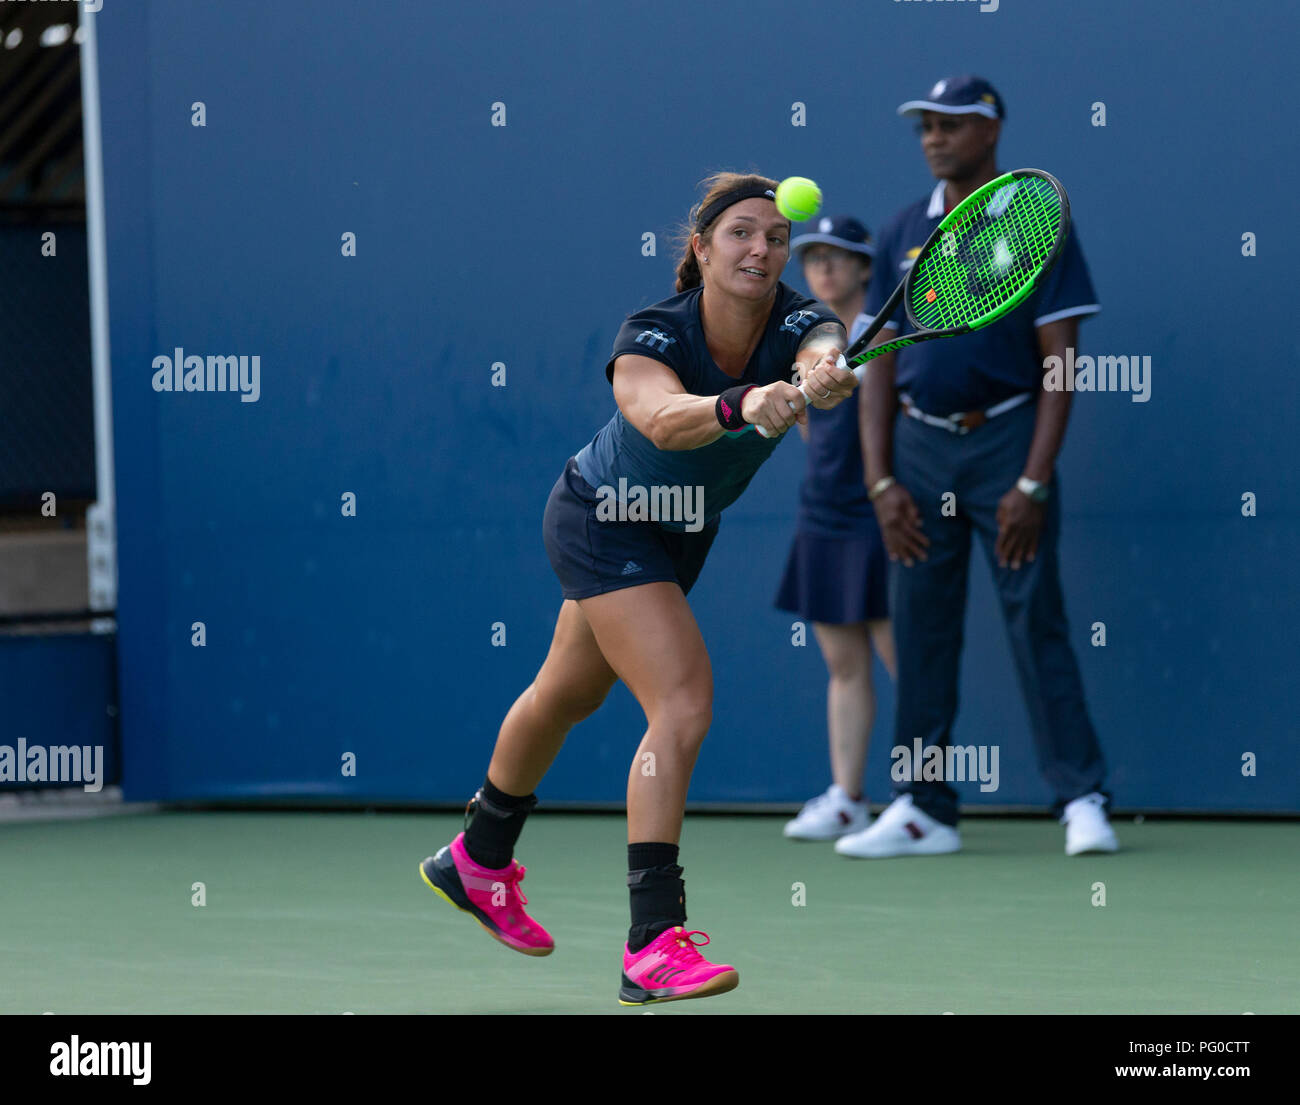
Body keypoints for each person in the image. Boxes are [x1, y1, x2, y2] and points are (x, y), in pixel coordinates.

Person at [419, 172, 858, 1005]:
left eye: (775, 236)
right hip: (605, 514)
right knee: (683, 702)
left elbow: (818, 350)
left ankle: (477, 856)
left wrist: (820, 372)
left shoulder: (802, 319)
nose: (760, 248)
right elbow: (659, 418)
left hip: (681, 528)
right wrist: (745, 404)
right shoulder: (652, 332)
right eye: (740, 233)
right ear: (700, 248)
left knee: (564, 693)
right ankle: (653, 939)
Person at [837, 75, 1119, 859]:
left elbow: (1061, 364)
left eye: (951, 124)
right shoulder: (901, 231)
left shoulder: (1038, 225)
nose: (934, 137)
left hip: (1008, 444)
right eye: (925, 125)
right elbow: (877, 370)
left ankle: (1081, 797)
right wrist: (881, 479)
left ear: (990, 131)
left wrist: (1032, 479)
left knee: (1036, 616)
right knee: (921, 624)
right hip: (919, 454)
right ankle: (924, 807)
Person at [776, 216, 897, 841]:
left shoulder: (888, 338)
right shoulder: (803, 347)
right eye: (813, 257)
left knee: (905, 662)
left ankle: (924, 800)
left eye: (838, 257)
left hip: (882, 519)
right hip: (821, 516)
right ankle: (848, 798)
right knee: (843, 665)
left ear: (865, 268)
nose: (823, 268)